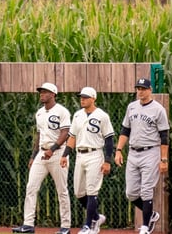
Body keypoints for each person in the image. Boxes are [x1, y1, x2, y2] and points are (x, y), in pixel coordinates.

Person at [13, 82, 73, 234]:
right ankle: (28, 224)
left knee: (62, 191)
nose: (41, 94)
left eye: (45, 92)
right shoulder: (39, 113)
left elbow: (65, 133)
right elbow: (39, 135)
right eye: (40, 92)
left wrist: (53, 149)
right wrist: (33, 156)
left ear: (53, 94)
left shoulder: (62, 111)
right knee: (31, 187)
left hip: (57, 154)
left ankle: (65, 226)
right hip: (42, 153)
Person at [114, 77, 169, 234]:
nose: (140, 91)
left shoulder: (158, 109)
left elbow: (164, 135)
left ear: (150, 90)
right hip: (133, 152)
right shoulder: (131, 107)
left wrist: (163, 159)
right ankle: (151, 214)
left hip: (151, 151)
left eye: (143, 88)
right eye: (138, 88)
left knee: (146, 190)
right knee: (131, 193)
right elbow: (125, 130)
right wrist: (118, 150)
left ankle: (145, 226)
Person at [67, 87, 115, 234]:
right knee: (79, 192)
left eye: (86, 97)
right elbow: (72, 137)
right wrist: (65, 154)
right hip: (80, 155)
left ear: (93, 98)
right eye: (81, 96)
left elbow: (109, 139)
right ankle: (96, 217)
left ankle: (88, 225)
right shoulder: (77, 115)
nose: (82, 99)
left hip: (95, 154)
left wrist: (107, 161)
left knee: (92, 191)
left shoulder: (102, 115)